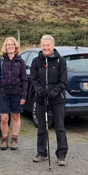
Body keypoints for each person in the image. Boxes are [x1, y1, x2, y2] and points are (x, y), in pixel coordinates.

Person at [30, 35, 68, 166]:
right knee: (41, 127)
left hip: (57, 99)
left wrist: (53, 92)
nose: (46, 48)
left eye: (48, 45)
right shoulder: (36, 61)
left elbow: (63, 81)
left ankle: (61, 155)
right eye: (43, 45)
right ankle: (42, 153)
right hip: (41, 98)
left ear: (53, 46)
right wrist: (39, 90)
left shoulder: (61, 61)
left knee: (59, 127)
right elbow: (33, 79)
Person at [0, 37, 27, 150]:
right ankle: (4, 138)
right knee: (4, 118)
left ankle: (14, 138)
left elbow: (24, 79)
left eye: (12, 44)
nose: (10, 46)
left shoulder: (20, 61)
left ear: (15, 46)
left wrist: (24, 95)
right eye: (8, 45)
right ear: (5, 47)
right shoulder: (1, 61)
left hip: (16, 92)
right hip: (3, 92)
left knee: (16, 116)